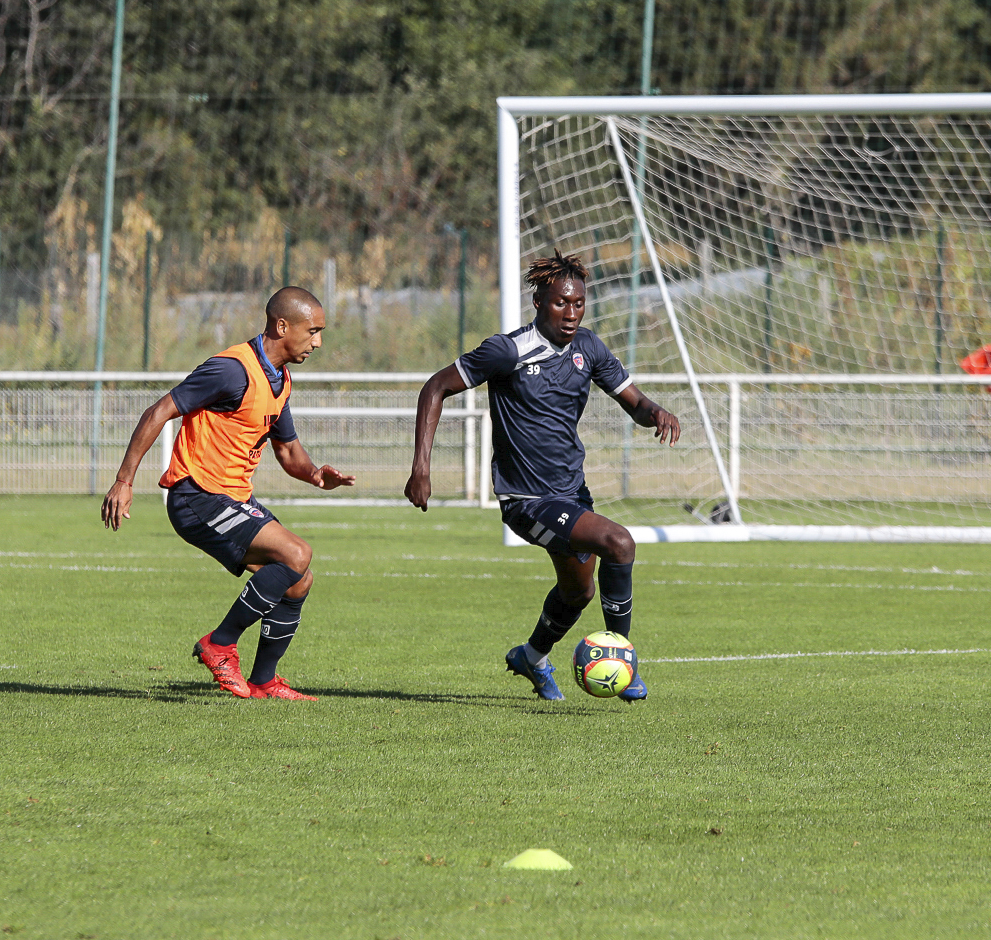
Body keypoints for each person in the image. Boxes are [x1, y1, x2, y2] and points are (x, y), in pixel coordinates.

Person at [405, 251, 680, 701]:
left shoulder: (588, 347)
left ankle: (530, 658)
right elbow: (435, 387)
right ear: (538, 301)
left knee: (578, 591)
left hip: (572, 492)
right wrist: (421, 468)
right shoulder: (507, 350)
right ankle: (623, 657)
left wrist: (658, 413)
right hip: (526, 500)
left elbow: (635, 402)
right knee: (620, 543)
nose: (570, 314)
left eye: (578, 303)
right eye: (560, 303)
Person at [101, 286, 355, 700]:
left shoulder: (279, 380)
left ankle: (264, 681)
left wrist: (314, 475)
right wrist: (124, 481)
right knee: (297, 553)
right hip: (196, 496)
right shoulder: (231, 369)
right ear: (282, 325)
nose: (318, 342)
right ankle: (219, 644)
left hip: (232, 499)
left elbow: (288, 451)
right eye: (313, 331)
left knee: (298, 581)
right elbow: (159, 410)